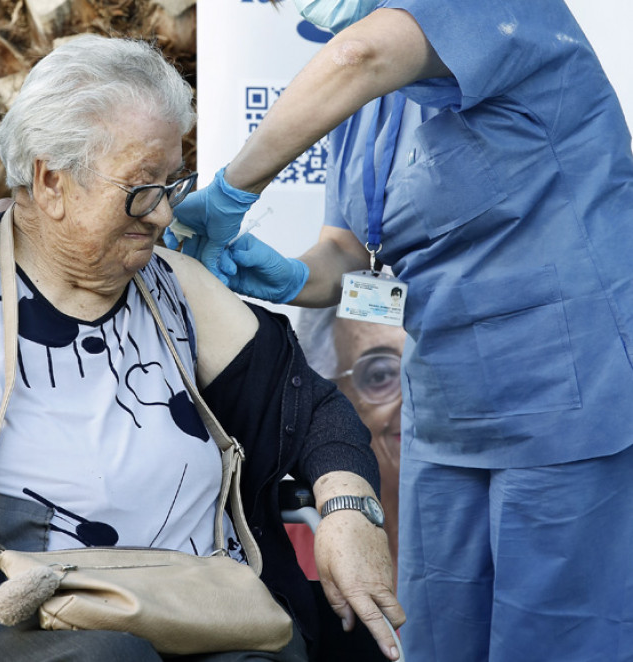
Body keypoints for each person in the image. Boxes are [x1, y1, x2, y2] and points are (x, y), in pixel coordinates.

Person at [0, 35, 405, 662]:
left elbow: (314, 410)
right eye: (141, 189)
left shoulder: (176, 285)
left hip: (193, 604)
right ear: (52, 181)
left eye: (172, 182)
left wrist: (349, 506)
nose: (164, 214)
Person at [166, 1, 633, 660]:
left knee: (556, 636)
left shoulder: (480, 14)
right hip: (445, 411)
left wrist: (229, 191)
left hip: (563, 399)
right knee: (435, 634)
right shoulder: (366, 113)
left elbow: (360, 56)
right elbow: (354, 259)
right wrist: (295, 278)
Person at [297, 307, 406, 582]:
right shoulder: (280, 551)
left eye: (429, 371)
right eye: (381, 375)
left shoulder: (505, 532)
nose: (417, 401)